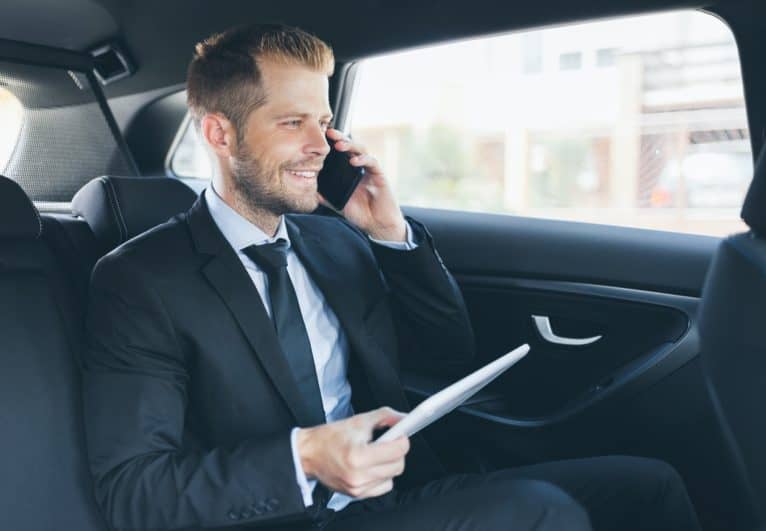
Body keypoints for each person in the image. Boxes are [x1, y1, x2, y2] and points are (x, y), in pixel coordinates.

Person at [81, 23, 701, 531]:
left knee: (648, 485)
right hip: (281, 517)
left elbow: (444, 354)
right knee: (539, 512)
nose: (320, 145)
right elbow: (137, 493)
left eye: (323, 122)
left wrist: (389, 235)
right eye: (291, 123)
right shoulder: (140, 283)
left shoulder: (332, 243)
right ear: (220, 132)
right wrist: (305, 459)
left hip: (396, 496)